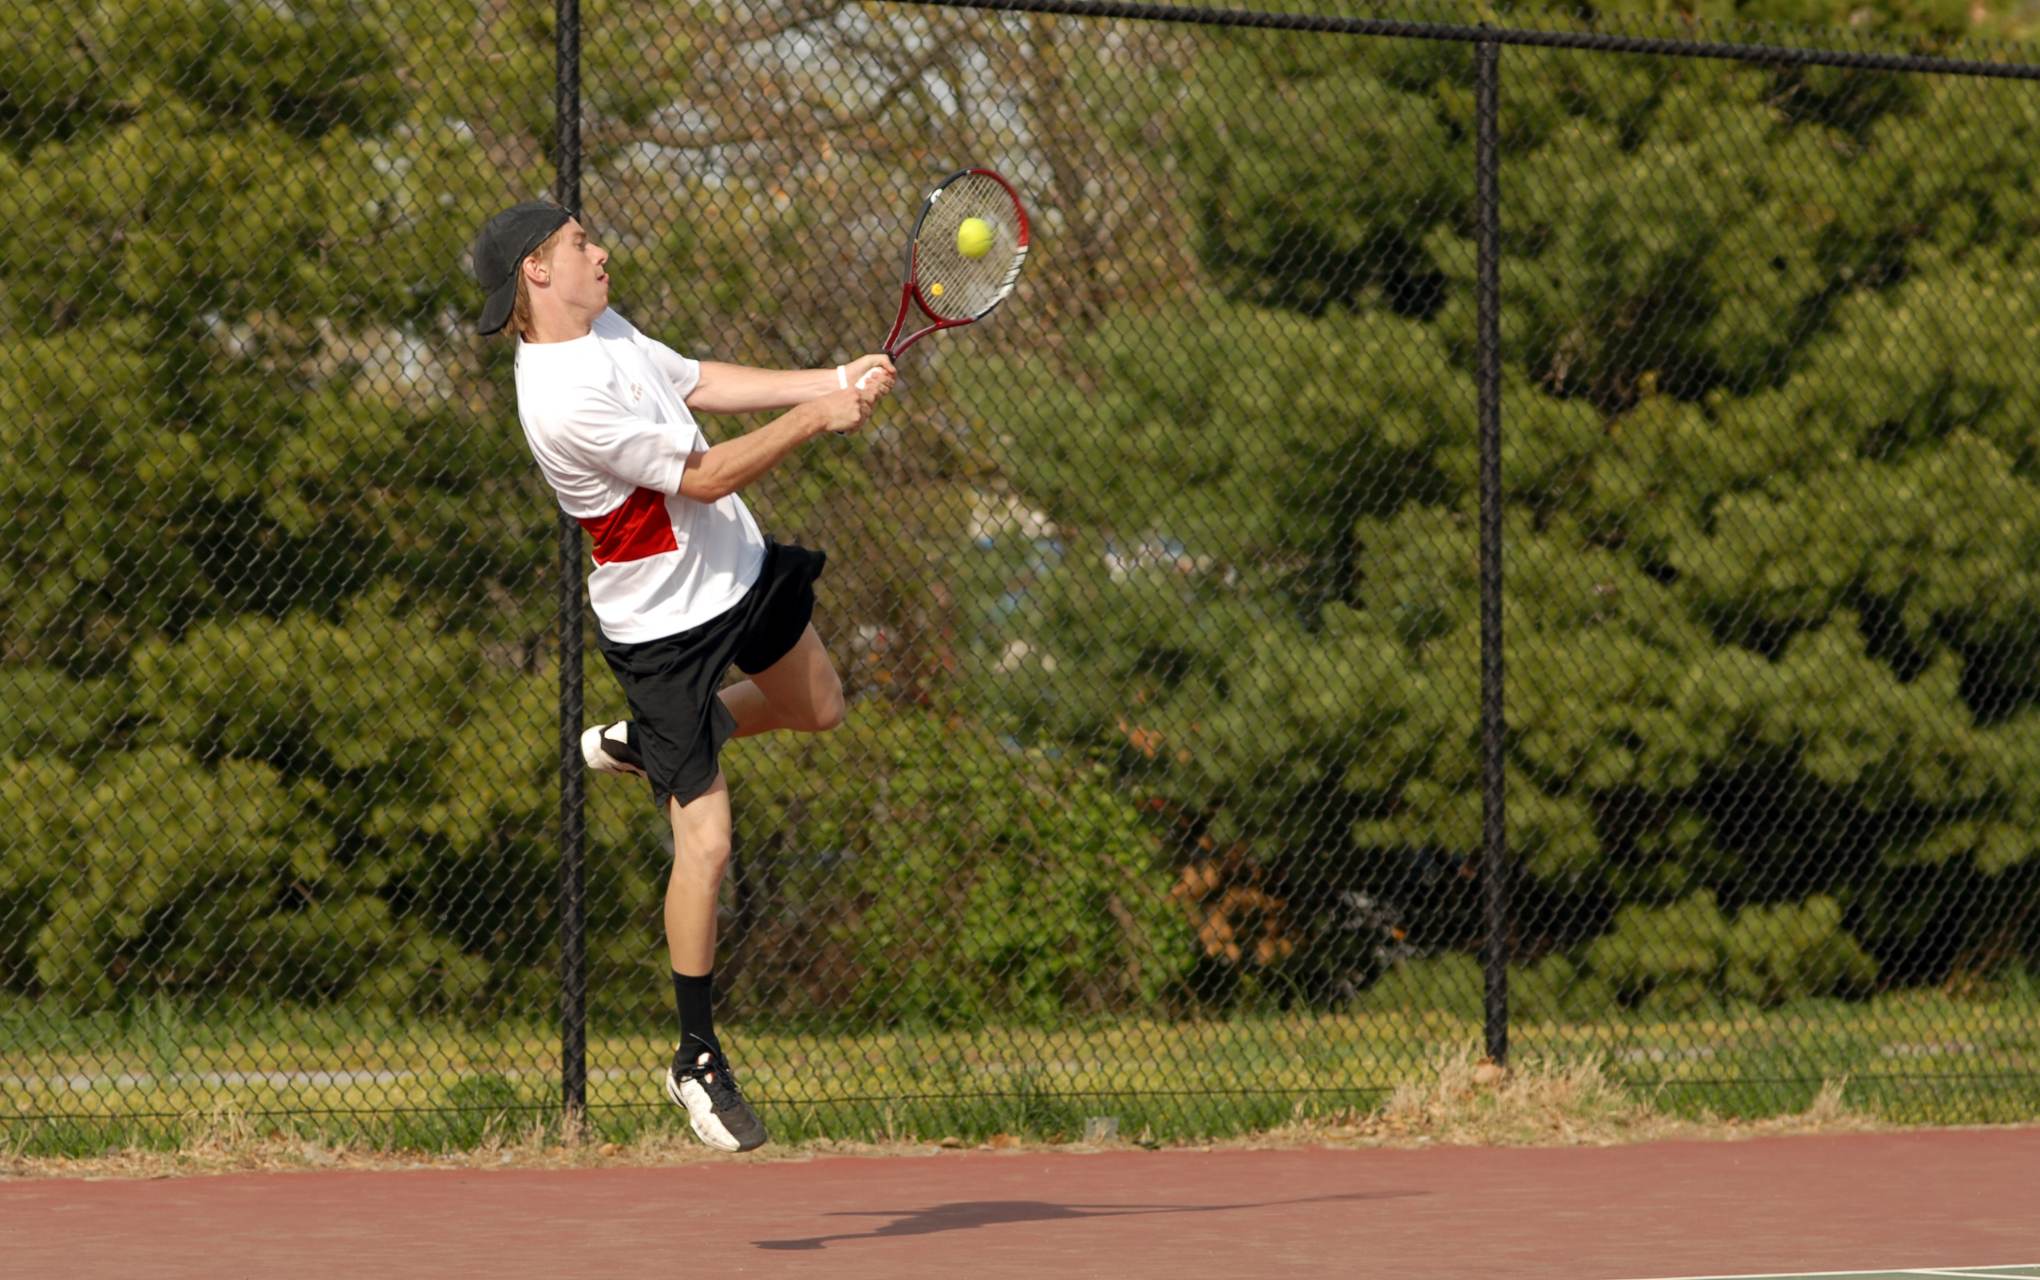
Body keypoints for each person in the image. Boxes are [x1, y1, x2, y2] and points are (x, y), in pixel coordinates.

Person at [471, 200, 894, 1152]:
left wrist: (833, 375)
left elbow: (696, 381)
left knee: (819, 706)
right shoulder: (558, 394)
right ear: (537, 273)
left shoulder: (606, 331)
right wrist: (815, 417)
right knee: (705, 843)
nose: (600, 250)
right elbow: (700, 477)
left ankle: (649, 749)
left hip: (737, 574)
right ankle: (695, 1054)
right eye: (580, 243)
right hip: (662, 632)